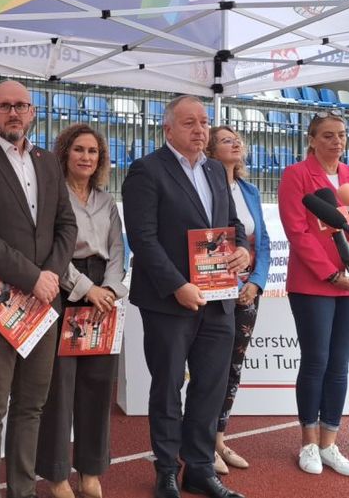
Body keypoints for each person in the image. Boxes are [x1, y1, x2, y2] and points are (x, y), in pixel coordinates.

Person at [121, 95, 251, 498]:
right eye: (190, 123)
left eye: (205, 123)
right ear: (168, 129)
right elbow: (142, 238)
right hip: (168, 302)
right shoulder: (146, 170)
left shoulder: (215, 169)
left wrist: (243, 248)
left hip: (218, 301)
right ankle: (165, 470)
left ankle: (198, 469)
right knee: (167, 386)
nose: (200, 131)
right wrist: (178, 285)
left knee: (209, 386)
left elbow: (231, 223)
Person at [0, 80, 78, 498]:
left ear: (32, 112)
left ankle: (21, 491)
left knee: (31, 406)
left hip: (43, 305)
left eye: (21, 106)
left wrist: (52, 276)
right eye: (4, 106)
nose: (14, 113)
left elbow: (66, 225)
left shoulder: (46, 162)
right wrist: (34, 278)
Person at [277, 110, 349, 478]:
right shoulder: (296, 175)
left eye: (341, 135)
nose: (336, 141)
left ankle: (330, 443)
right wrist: (332, 273)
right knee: (317, 359)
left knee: (340, 363)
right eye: (327, 135)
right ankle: (308, 441)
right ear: (312, 139)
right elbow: (297, 232)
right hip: (314, 284)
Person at [37, 124, 128, 498]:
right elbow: (51, 250)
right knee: (59, 387)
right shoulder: (53, 196)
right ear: (65, 153)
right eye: (79, 150)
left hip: (103, 295)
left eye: (93, 151)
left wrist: (108, 290)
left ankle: (90, 471)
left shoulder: (106, 201)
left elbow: (118, 250)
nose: (86, 157)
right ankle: (56, 475)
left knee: (97, 386)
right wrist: (84, 289)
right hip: (64, 289)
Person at [205, 126, 272, 475]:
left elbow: (263, 241)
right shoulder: (206, 185)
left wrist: (257, 282)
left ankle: (218, 438)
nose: (237, 144)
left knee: (234, 367)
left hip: (248, 292)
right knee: (211, 368)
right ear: (212, 151)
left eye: (238, 140)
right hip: (216, 290)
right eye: (228, 140)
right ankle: (202, 443)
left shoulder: (248, 190)